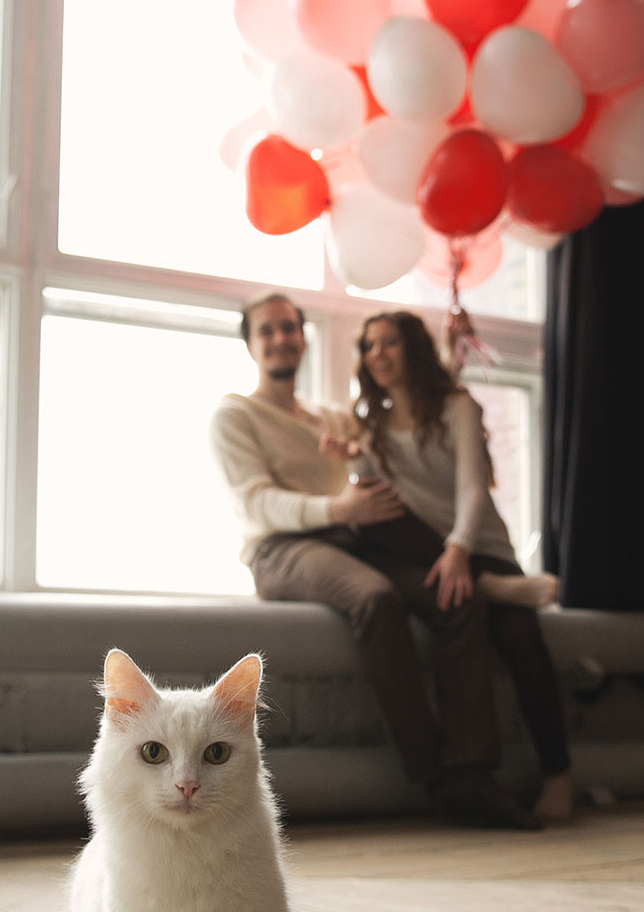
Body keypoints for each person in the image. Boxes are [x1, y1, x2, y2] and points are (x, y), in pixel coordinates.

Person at [209, 292, 539, 830]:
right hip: (281, 549)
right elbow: (257, 503)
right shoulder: (234, 415)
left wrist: (449, 357)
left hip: (350, 539)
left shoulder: (333, 418)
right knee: (376, 598)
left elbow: (411, 415)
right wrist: (337, 507)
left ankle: (473, 772)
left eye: (289, 328)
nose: (280, 339)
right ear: (250, 345)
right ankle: (436, 776)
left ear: (303, 339)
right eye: (266, 331)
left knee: (453, 596)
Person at [345, 309, 576, 823]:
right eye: (369, 345)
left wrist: (460, 549)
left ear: (413, 349)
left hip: (477, 547)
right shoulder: (372, 426)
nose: (377, 354)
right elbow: (375, 492)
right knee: (365, 519)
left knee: (520, 640)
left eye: (389, 342)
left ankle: (559, 774)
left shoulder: (458, 407)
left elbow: (473, 489)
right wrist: (349, 458)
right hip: (424, 549)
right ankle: (486, 588)